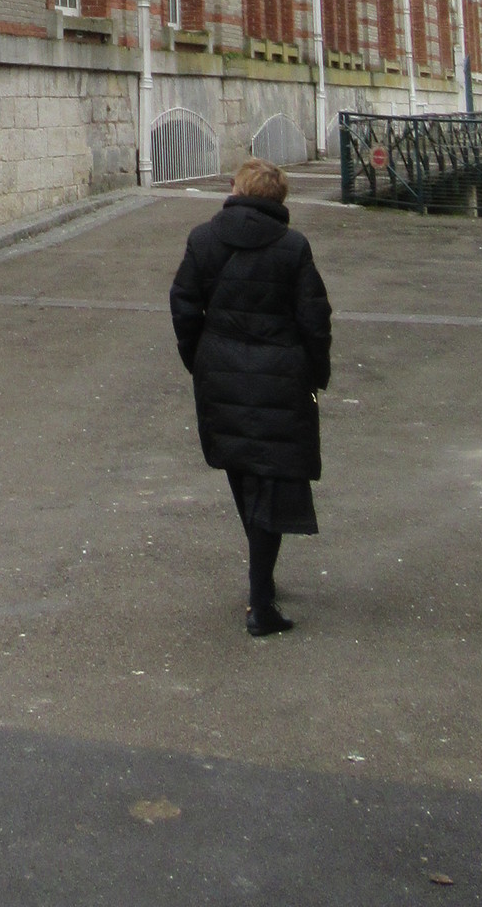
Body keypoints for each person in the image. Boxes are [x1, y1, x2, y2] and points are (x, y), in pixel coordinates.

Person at [169, 155, 333, 637]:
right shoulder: (292, 246)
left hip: (220, 373)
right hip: (280, 377)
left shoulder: (203, 239)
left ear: (238, 190)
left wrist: (199, 359)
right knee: (271, 480)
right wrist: (316, 372)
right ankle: (261, 601)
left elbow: (183, 305)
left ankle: (262, 583)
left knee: (243, 473)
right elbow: (314, 318)